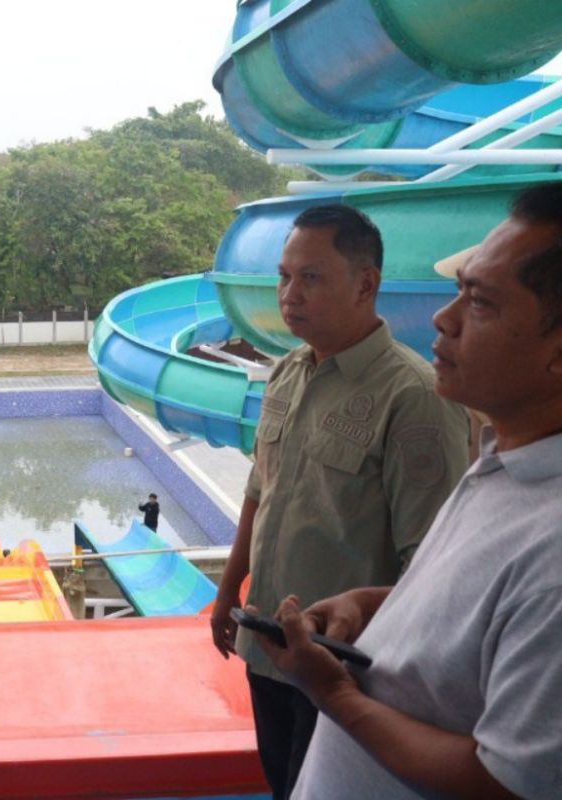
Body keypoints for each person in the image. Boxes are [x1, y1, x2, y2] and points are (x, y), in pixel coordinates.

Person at [252, 183, 562, 800]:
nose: (443, 320)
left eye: (479, 302)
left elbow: (509, 781)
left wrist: (337, 696)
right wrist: (375, 604)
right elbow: (479, 602)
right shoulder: (505, 465)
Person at [208, 204, 470, 799]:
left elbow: (430, 563)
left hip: (342, 669)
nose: (289, 294)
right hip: (268, 648)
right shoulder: (286, 374)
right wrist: (228, 592)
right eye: (284, 276)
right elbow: (259, 492)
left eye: (312, 277)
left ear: (367, 283)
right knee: (284, 786)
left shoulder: (414, 398)